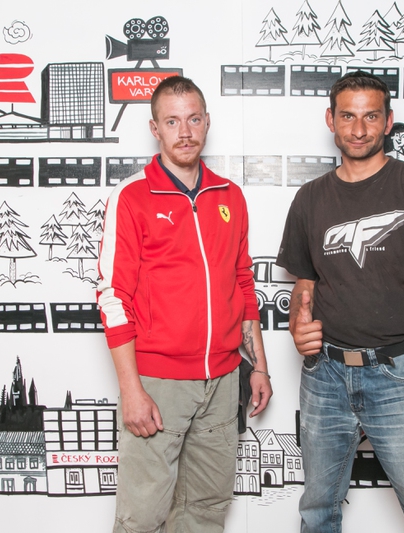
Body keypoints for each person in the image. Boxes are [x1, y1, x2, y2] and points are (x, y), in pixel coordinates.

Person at [277, 71, 404, 533]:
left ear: (388, 121)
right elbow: (304, 282)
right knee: (317, 513)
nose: (359, 129)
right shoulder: (310, 198)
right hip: (324, 375)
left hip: (397, 373)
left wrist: (383, 306)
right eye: (348, 116)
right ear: (331, 120)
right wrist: (299, 323)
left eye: (371, 117)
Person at [97, 76, 272, 533]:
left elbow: (243, 284)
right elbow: (114, 297)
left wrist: (259, 367)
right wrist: (131, 390)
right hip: (159, 384)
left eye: (193, 119)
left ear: (207, 122)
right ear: (155, 128)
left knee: (205, 511)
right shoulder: (132, 196)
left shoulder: (229, 195)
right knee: (142, 517)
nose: (185, 132)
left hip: (222, 381)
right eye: (172, 122)